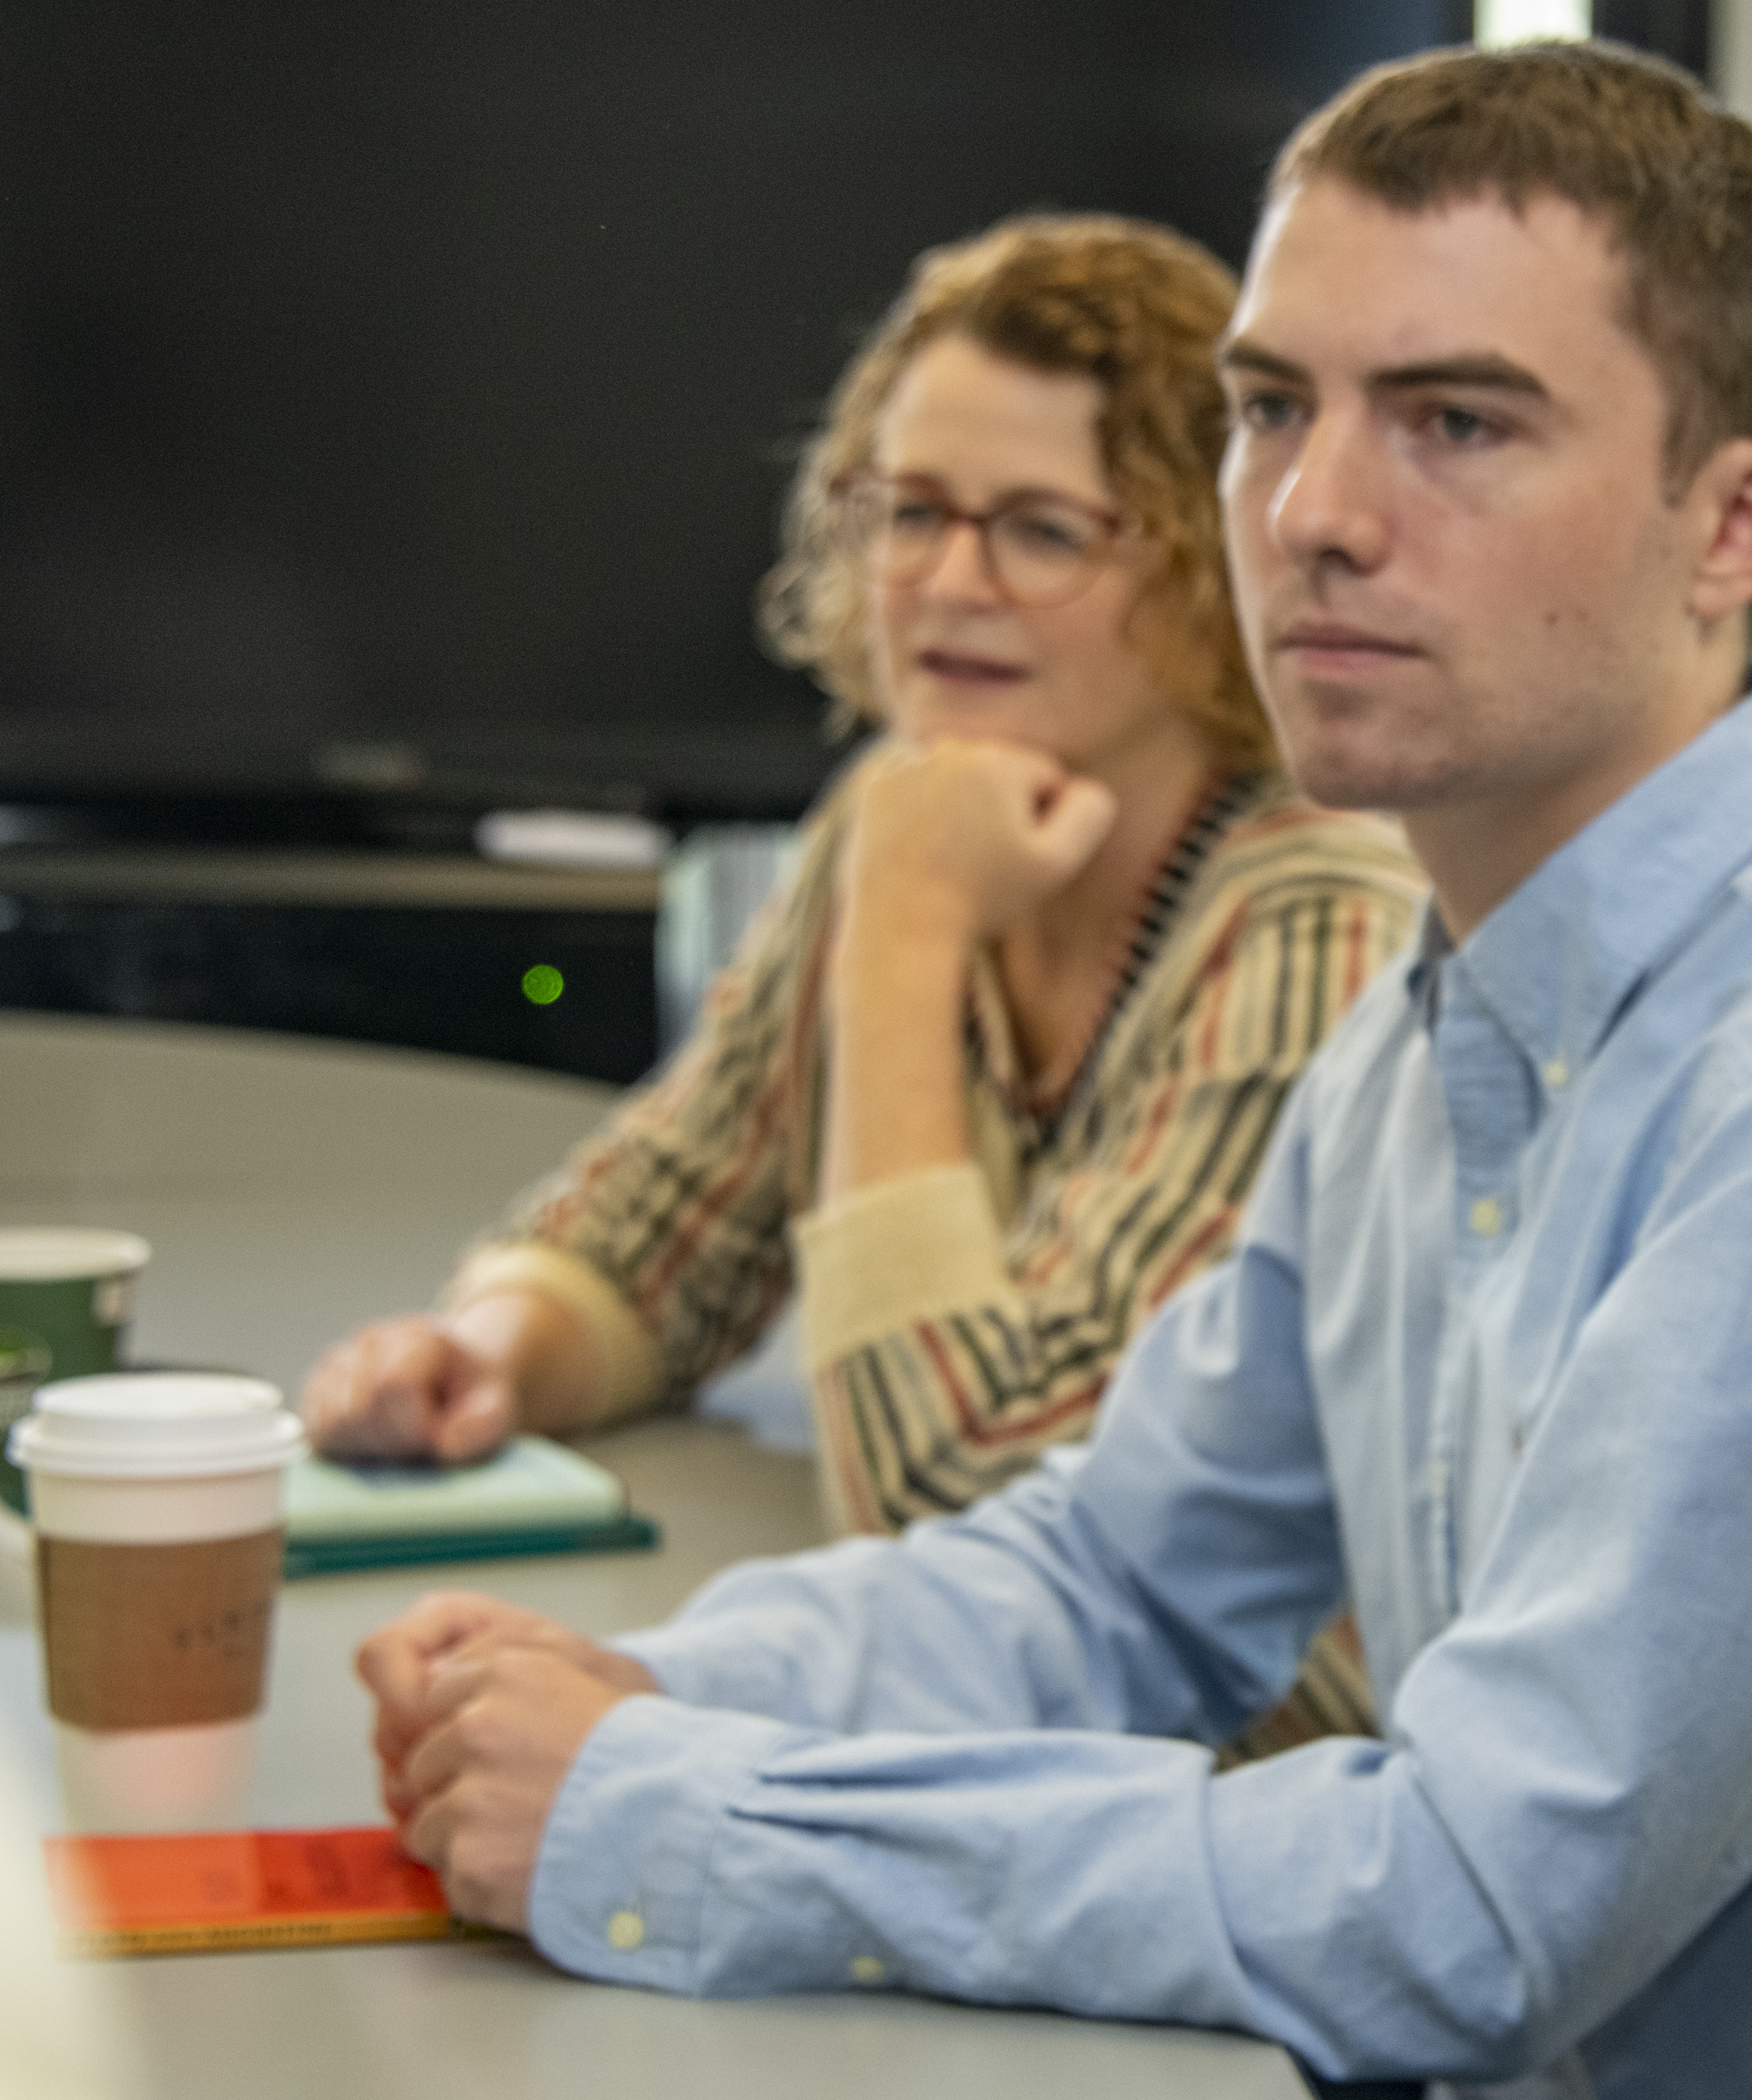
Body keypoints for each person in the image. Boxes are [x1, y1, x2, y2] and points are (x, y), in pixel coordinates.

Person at [354, 41, 1752, 2097]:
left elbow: (1470, 1916)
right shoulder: (1439, 1011)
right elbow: (1119, 1585)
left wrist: (686, 1812)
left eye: (1457, 423)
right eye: (1270, 411)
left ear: (1734, 525)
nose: (1311, 516)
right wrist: (641, 1686)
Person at [294, 218, 1423, 1550]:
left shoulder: (1324, 932)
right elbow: (662, 1238)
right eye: (912, 511)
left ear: (1211, 566)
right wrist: (490, 1353)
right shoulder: (903, 817)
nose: (949, 582)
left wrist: (905, 934)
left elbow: (971, 1504)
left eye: (1043, 532)